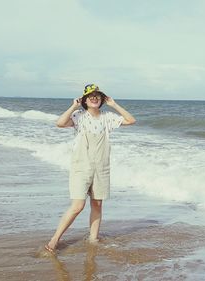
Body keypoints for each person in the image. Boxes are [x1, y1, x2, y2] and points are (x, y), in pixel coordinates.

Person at [44, 84, 136, 255]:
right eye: (90, 96)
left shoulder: (108, 117)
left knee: (97, 204)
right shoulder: (79, 116)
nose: (94, 98)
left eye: (97, 96)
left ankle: (93, 239)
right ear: (85, 100)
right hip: (81, 166)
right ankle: (55, 239)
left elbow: (131, 120)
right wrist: (73, 105)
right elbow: (60, 123)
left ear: (102, 99)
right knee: (78, 205)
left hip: (101, 167)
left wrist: (114, 104)